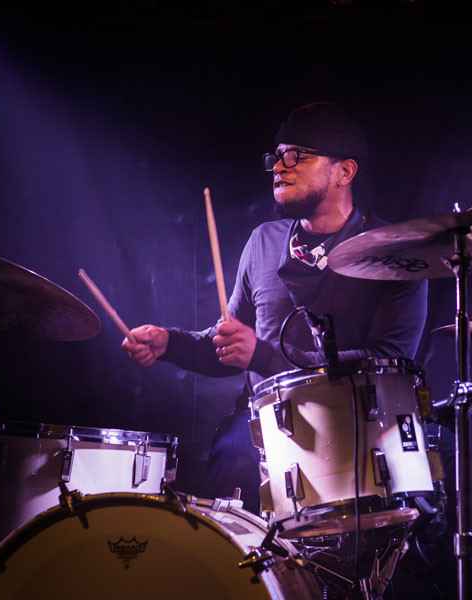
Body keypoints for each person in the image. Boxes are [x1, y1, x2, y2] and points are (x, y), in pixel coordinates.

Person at [122, 102, 428, 514]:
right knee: (232, 458)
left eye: (297, 155)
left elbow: (389, 361)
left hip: (361, 422)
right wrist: (169, 343)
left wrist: (265, 356)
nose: (279, 167)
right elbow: (230, 347)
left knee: (445, 469)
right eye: (277, 156)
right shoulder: (263, 243)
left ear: (344, 171)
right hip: (270, 421)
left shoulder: (394, 252)